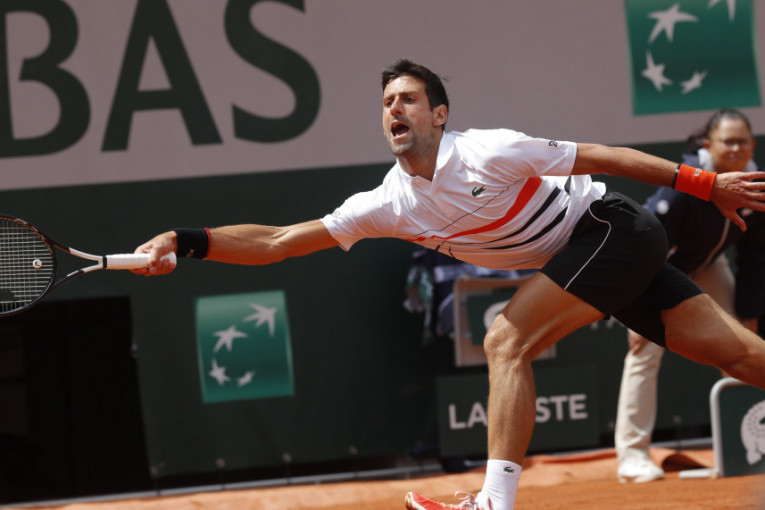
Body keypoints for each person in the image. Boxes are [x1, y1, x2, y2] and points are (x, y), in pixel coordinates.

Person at [133, 60, 765, 510]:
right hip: (597, 256)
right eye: (387, 103)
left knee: (505, 341)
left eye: (408, 99)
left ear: (439, 115)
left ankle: (494, 501)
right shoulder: (388, 204)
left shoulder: (489, 151)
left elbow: (602, 156)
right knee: (737, 356)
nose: (394, 109)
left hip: (609, 228)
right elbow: (277, 241)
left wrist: (706, 184)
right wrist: (183, 241)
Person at [614, 109, 765, 483]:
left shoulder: (756, 184)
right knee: (644, 350)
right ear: (708, 145)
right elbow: (646, 242)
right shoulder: (686, 182)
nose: (736, 148)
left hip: (710, 264)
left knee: (743, 344)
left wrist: (749, 311)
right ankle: (632, 456)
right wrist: (635, 302)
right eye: (727, 141)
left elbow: (755, 255)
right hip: (658, 265)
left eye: (743, 141)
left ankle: (749, 442)